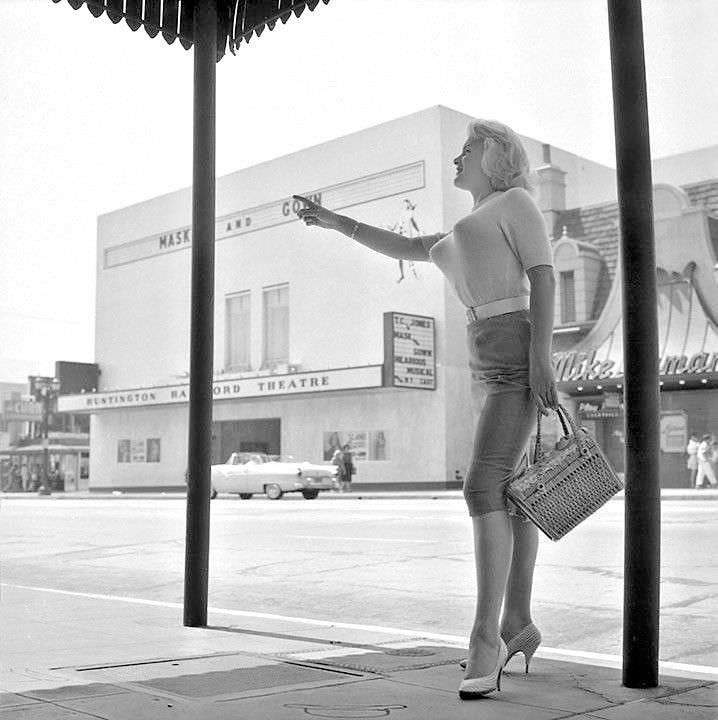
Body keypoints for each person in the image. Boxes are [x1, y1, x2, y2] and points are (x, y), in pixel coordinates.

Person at [294, 118, 557, 699]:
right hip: (490, 358)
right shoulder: (472, 223)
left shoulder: (517, 203)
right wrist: (336, 222)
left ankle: (486, 636)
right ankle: (517, 622)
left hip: (515, 354)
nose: (457, 156)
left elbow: (544, 275)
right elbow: (408, 247)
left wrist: (541, 356)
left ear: (496, 155)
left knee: (482, 487)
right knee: (511, 491)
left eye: (468, 148)